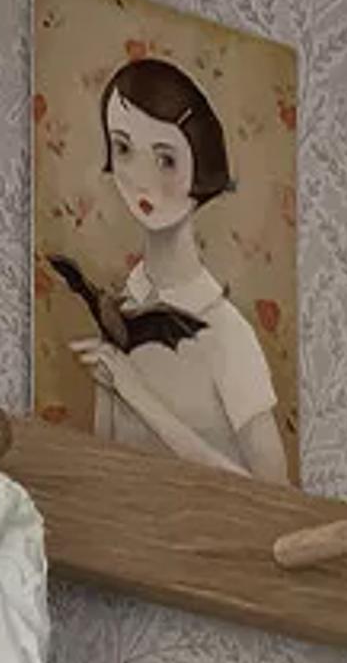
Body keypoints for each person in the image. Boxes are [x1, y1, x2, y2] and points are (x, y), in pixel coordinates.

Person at [64, 58, 289, 480]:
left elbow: (279, 499)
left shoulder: (225, 333)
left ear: (200, 167)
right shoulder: (119, 311)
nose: (142, 178)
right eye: (125, 149)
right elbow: (106, 475)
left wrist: (135, 393)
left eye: (166, 159)